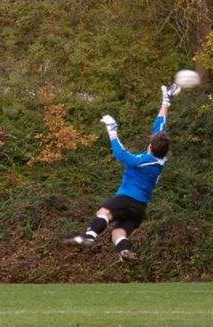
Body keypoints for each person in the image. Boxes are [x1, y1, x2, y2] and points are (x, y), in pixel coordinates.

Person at [64, 83, 181, 261]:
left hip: (128, 199)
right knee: (118, 233)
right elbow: (160, 126)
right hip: (140, 208)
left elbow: (121, 154)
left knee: (104, 213)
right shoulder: (159, 159)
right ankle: (124, 251)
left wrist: (112, 131)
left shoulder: (143, 162)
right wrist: (166, 102)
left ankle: (89, 236)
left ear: (150, 147)